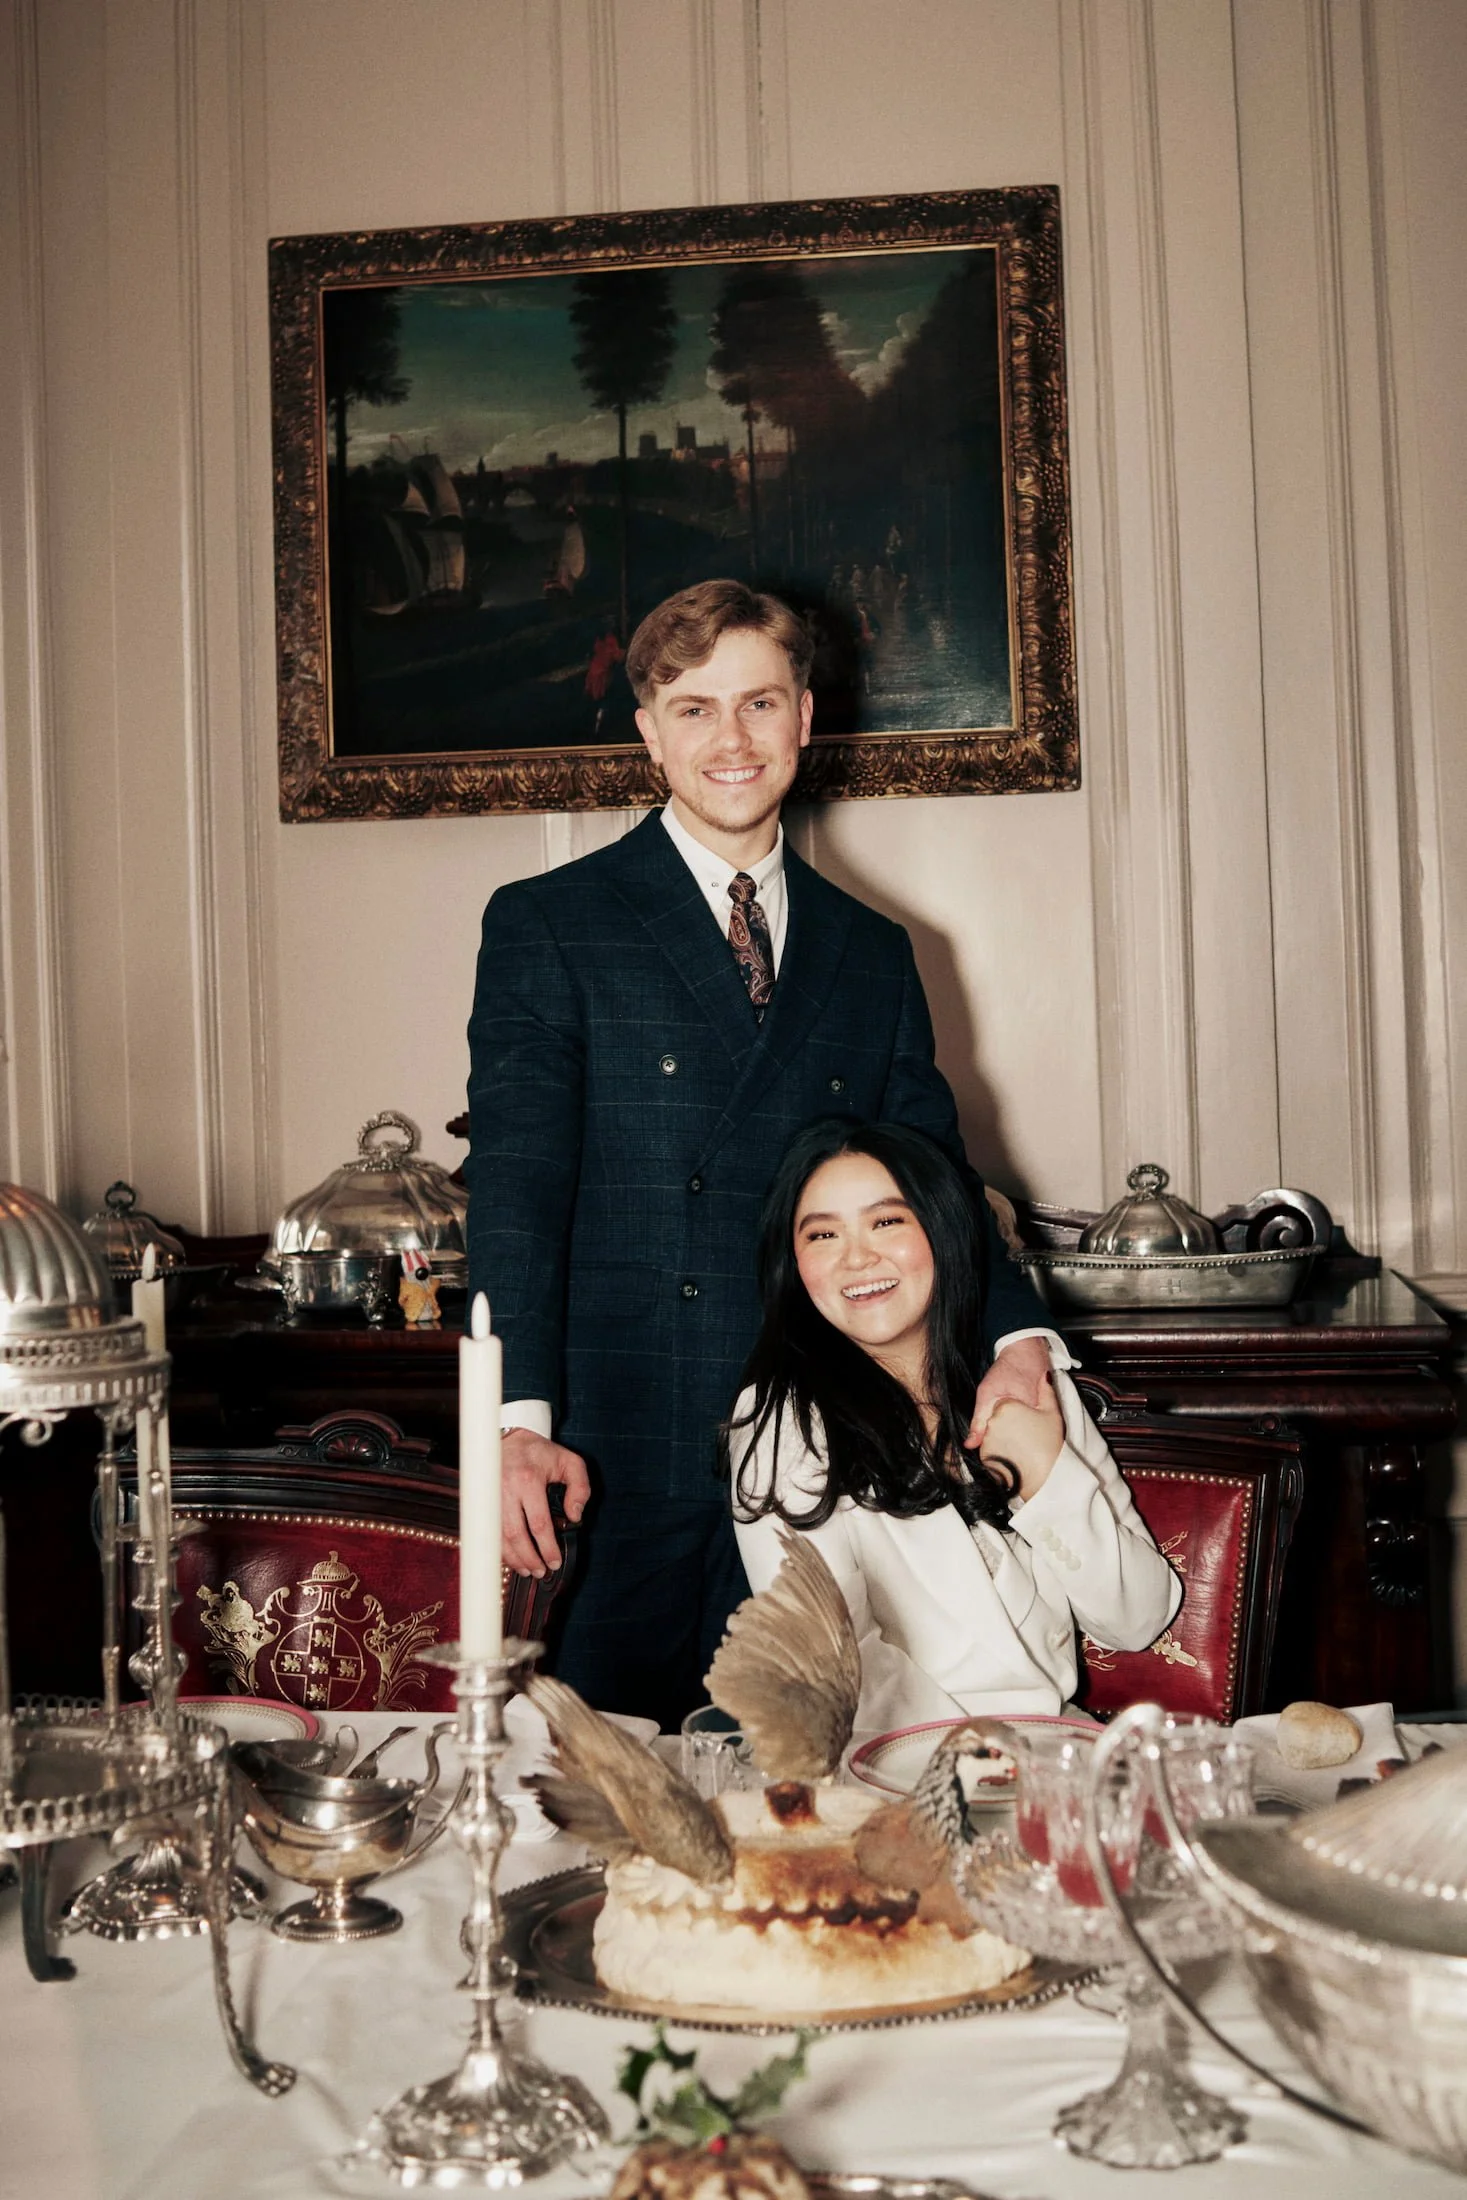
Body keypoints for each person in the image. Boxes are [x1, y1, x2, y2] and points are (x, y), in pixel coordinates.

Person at [465, 578, 1059, 1727]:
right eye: (693, 709)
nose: (729, 740)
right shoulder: (549, 923)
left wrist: (1019, 1342)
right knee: (614, 1797)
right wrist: (516, 1427)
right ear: (647, 731)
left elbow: (932, 1176)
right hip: (614, 1447)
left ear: (804, 718)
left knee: (819, 1794)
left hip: (824, 1452)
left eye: (758, 704)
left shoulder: (875, 948)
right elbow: (518, 1190)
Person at [726, 1119, 1182, 1730]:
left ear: (941, 1230)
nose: (857, 1257)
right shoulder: (782, 1420)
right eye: (823, 1234)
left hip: (1060, 1755)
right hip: (890, 1767)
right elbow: (833, 1669)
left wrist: (1044, 1479)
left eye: (887, 1221)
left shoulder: (1025, 1388)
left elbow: (1139, 1618)